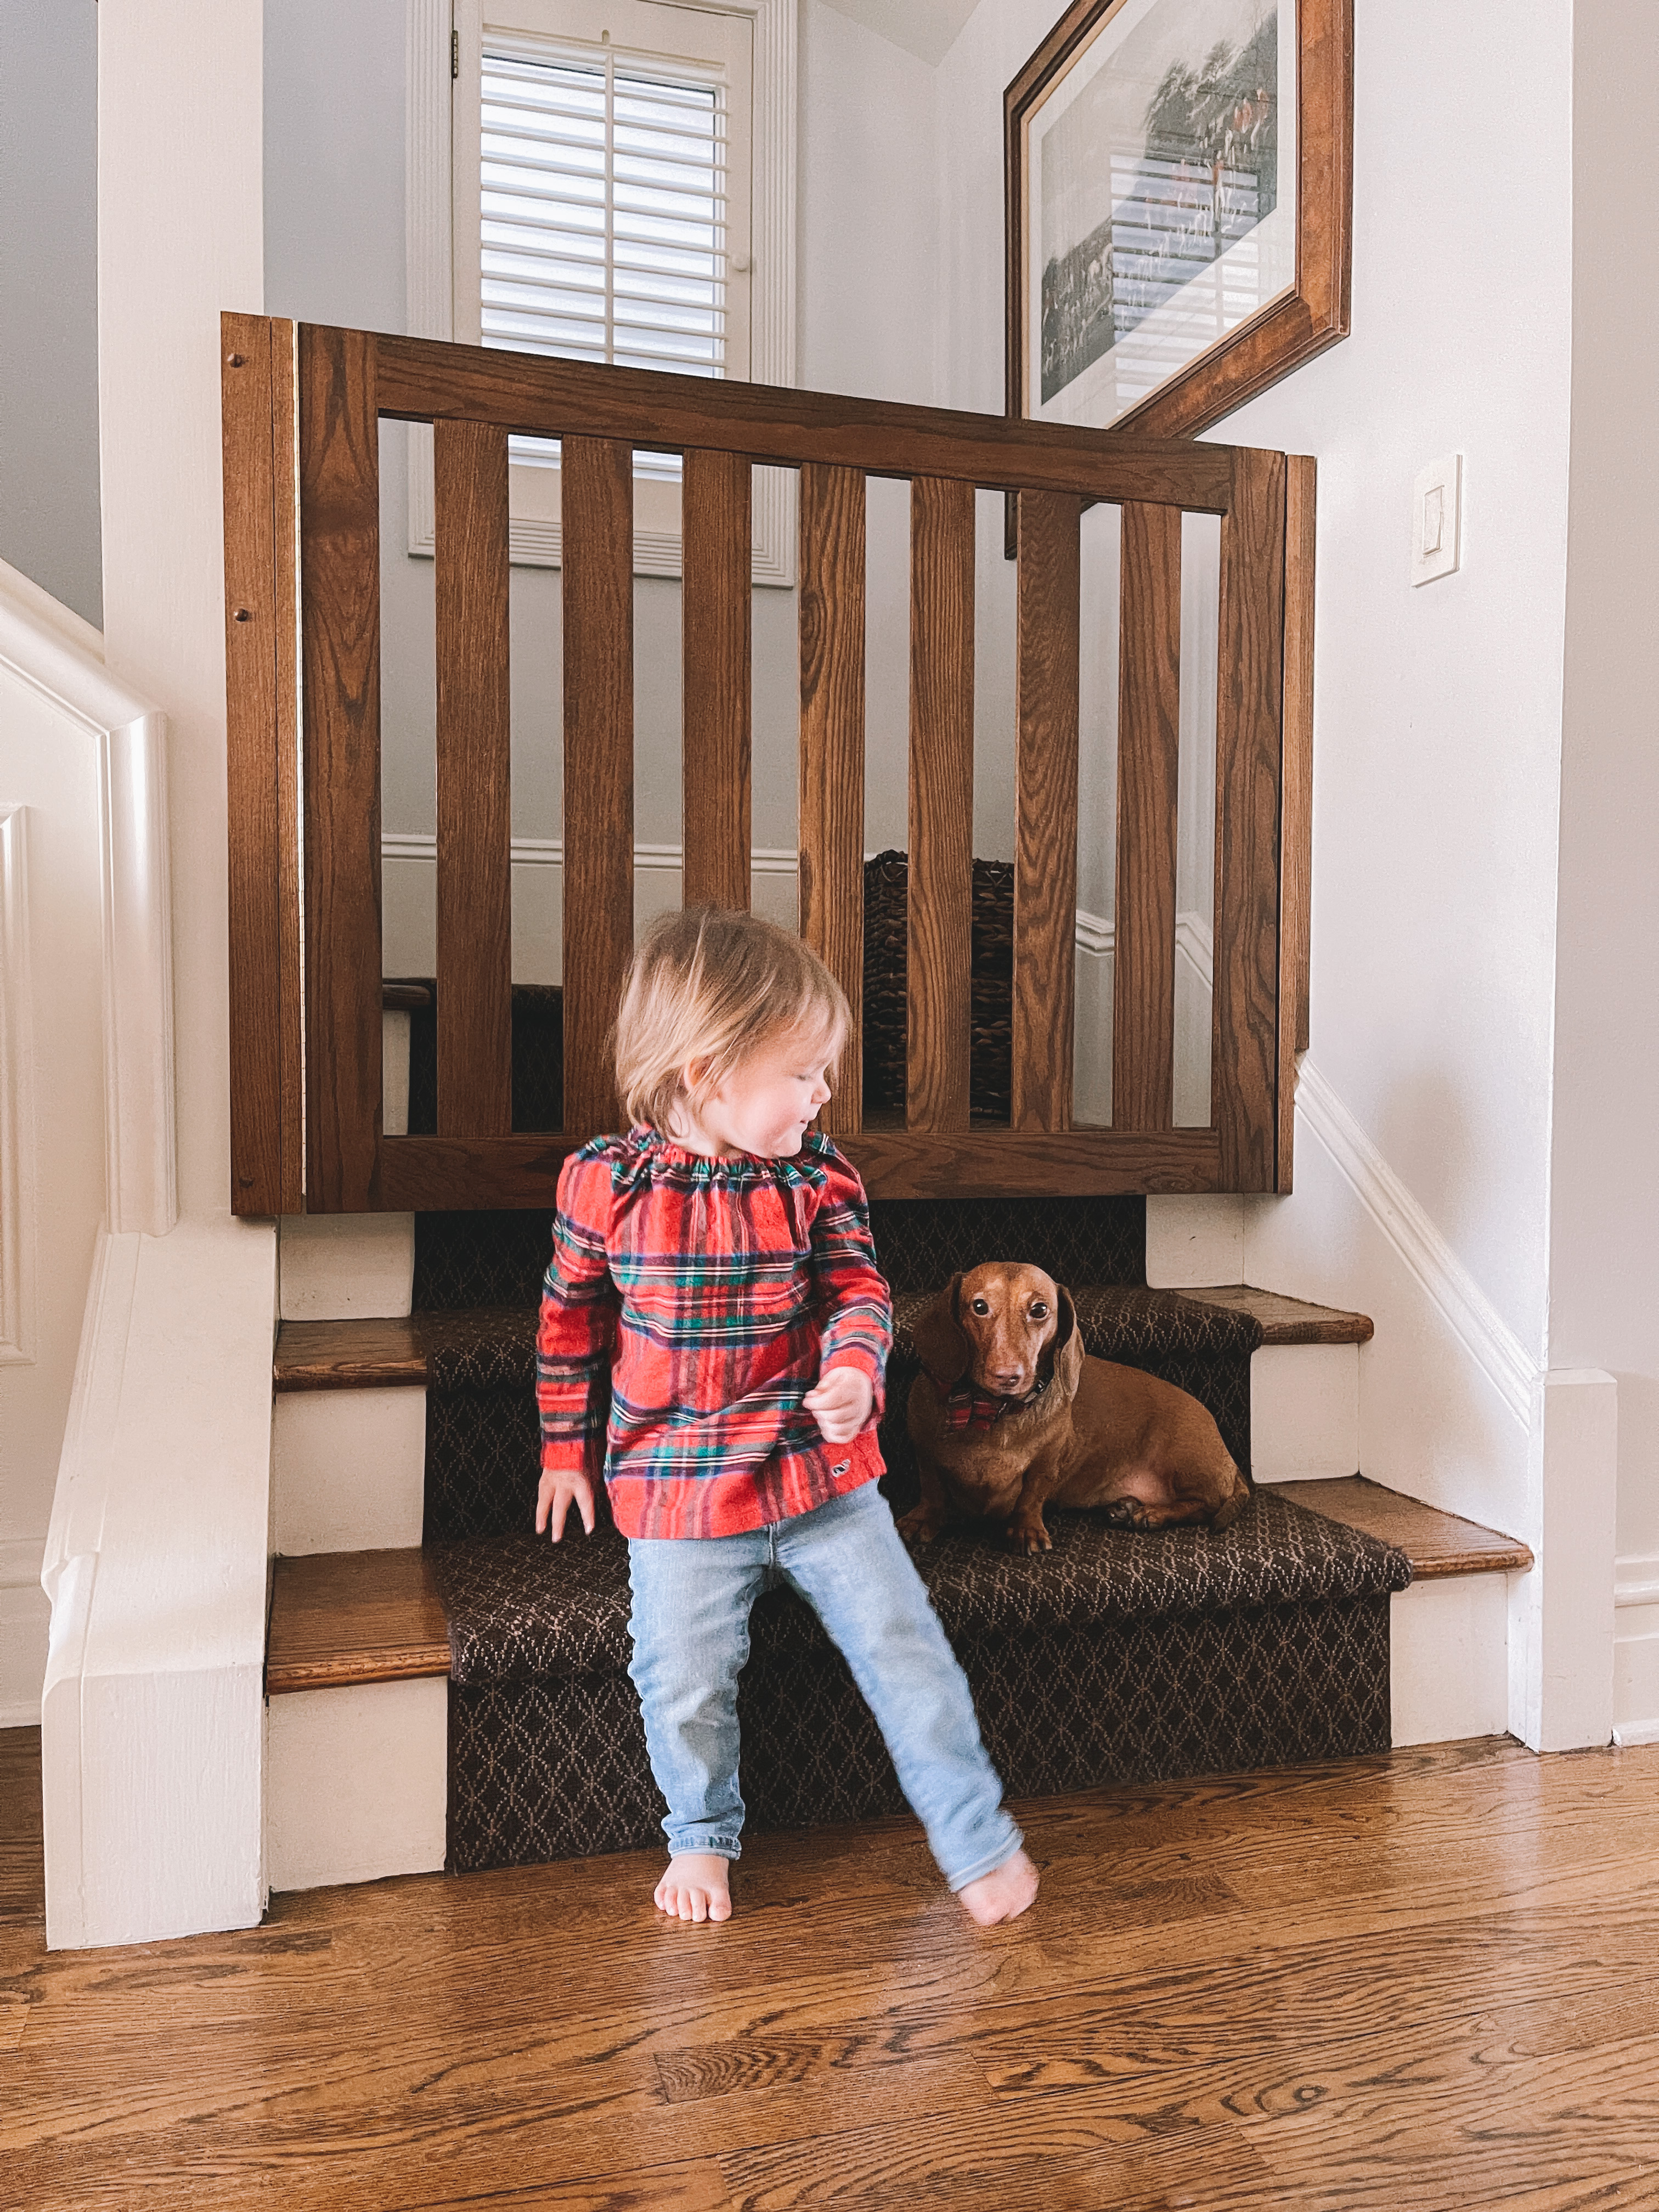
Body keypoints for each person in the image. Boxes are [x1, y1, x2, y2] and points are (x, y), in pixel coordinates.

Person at [534, 906, 1039, 1929]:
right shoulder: (607, 1185)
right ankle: (701, 1837)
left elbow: (860, 1291)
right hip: (678, 1492)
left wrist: (858, 1367)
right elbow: (568, 1318)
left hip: (822, 1479)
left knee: (907, 1647)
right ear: (707, 1070)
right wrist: (561, 1451)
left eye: (826, 1073)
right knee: (681, 1677)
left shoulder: (817, 1179)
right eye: (803, 1073)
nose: (824, 1093)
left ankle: (975, 1838)